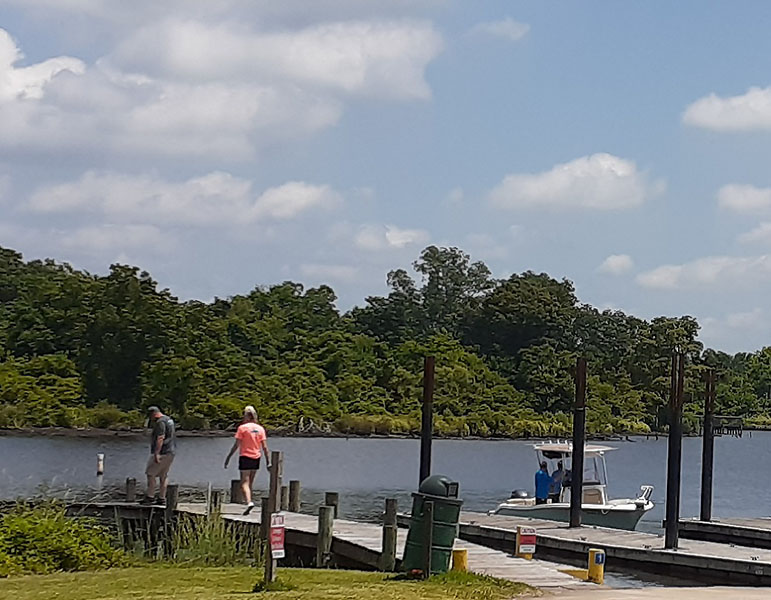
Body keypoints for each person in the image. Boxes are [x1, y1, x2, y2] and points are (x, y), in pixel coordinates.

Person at [224, 405, 270, 515]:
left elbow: (236, 445)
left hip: (245, 456)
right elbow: (264, 447)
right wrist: (268, 461)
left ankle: (249, 502)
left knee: (244, 482)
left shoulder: (242, 428)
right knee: (250, 483)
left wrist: (228, 457)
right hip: (256, 457)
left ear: (246, 416)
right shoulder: (260, 429)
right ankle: (249, 502)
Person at [141, 406, 176, 505]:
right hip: (171, 451)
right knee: (163, 475)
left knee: (150, 473)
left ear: (153, 414)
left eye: (150, 416)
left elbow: (160, 437)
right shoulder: (169, 420)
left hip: (163, 452)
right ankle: (162, 497)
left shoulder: (160, 422)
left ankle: (150, 497)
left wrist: (157, 453)